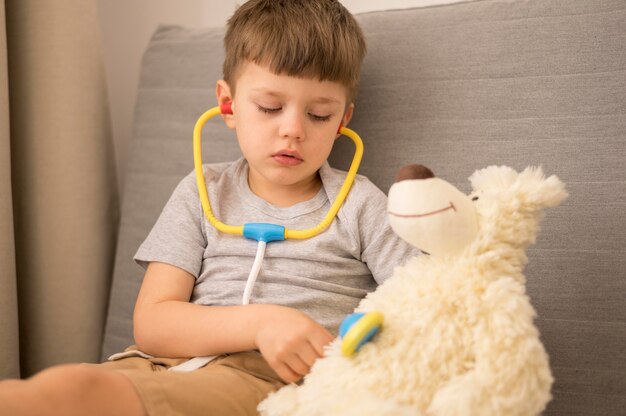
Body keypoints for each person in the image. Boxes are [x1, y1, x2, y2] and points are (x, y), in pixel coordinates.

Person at [0, 0, 418, 414]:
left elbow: (427, 296)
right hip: (156, 365)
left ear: (343, 120)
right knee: (67, 385)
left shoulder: (360, 204)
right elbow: (152, 325)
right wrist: (262, 321)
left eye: (319, 115)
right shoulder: (202, 192)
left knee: (75, 396)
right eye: (270, 107)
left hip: (262, 379)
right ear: (228, 105)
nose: (292, 129)